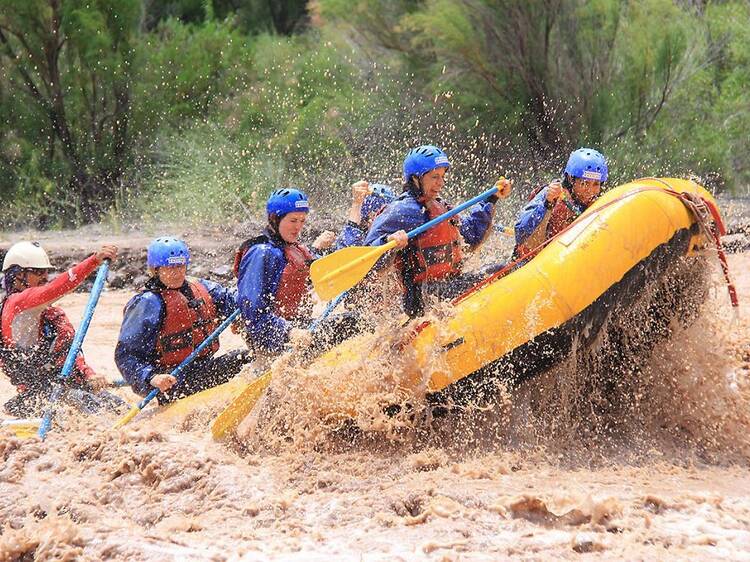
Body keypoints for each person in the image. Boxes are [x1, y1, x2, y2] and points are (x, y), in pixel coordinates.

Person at [364, 145, 512, 318]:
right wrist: (389, 241)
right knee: (498, 274)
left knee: (502, 268)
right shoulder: (401, 210)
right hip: (421, 297)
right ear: (416, 179)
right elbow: (369, 254)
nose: (440, 183)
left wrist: (491, 199)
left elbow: (470, 236)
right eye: (435, 177)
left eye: (442, 176)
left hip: (447, 285)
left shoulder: (439, 205)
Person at [115, 237, 250, 404]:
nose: (177, 272)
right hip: (172, 383)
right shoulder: (147, 303)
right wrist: (152, 378)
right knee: (244, 359)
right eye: (170, 267)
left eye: (180, 266)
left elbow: (238, 302)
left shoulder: (203, 288)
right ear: (156, 269)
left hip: (204, 368)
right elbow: (126, 356)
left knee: (249, 357)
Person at [234, 188, 359, 359]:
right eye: (293, 220)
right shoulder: (261, 253)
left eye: (302, 220)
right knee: (354, 323)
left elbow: (336, 267)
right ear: (274, 218)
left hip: (299, 328)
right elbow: (252, 314)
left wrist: (356, 204)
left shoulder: (295, 249)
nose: (298, 227)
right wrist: (289, 332)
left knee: (354, 321)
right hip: (274, 340)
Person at [0, 241, 118, 417]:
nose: (44, 277)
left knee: (115, 404)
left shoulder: (51, 316)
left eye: (46, 272)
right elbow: (55, 288)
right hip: (36, 398)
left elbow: (69, 352)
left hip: (63, 387)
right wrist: (94, 261)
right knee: (86, 405)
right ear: (17, 276)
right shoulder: (16, 305)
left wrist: (89, 375)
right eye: (38, 272)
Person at [513, 147, 608, 260]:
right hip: (530, 265)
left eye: (596, 184)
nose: (590, 191)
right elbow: (521, 235)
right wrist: (547, 205)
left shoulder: (597, 203)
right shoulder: (551, 194)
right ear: (571, 179)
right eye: (585, 183)